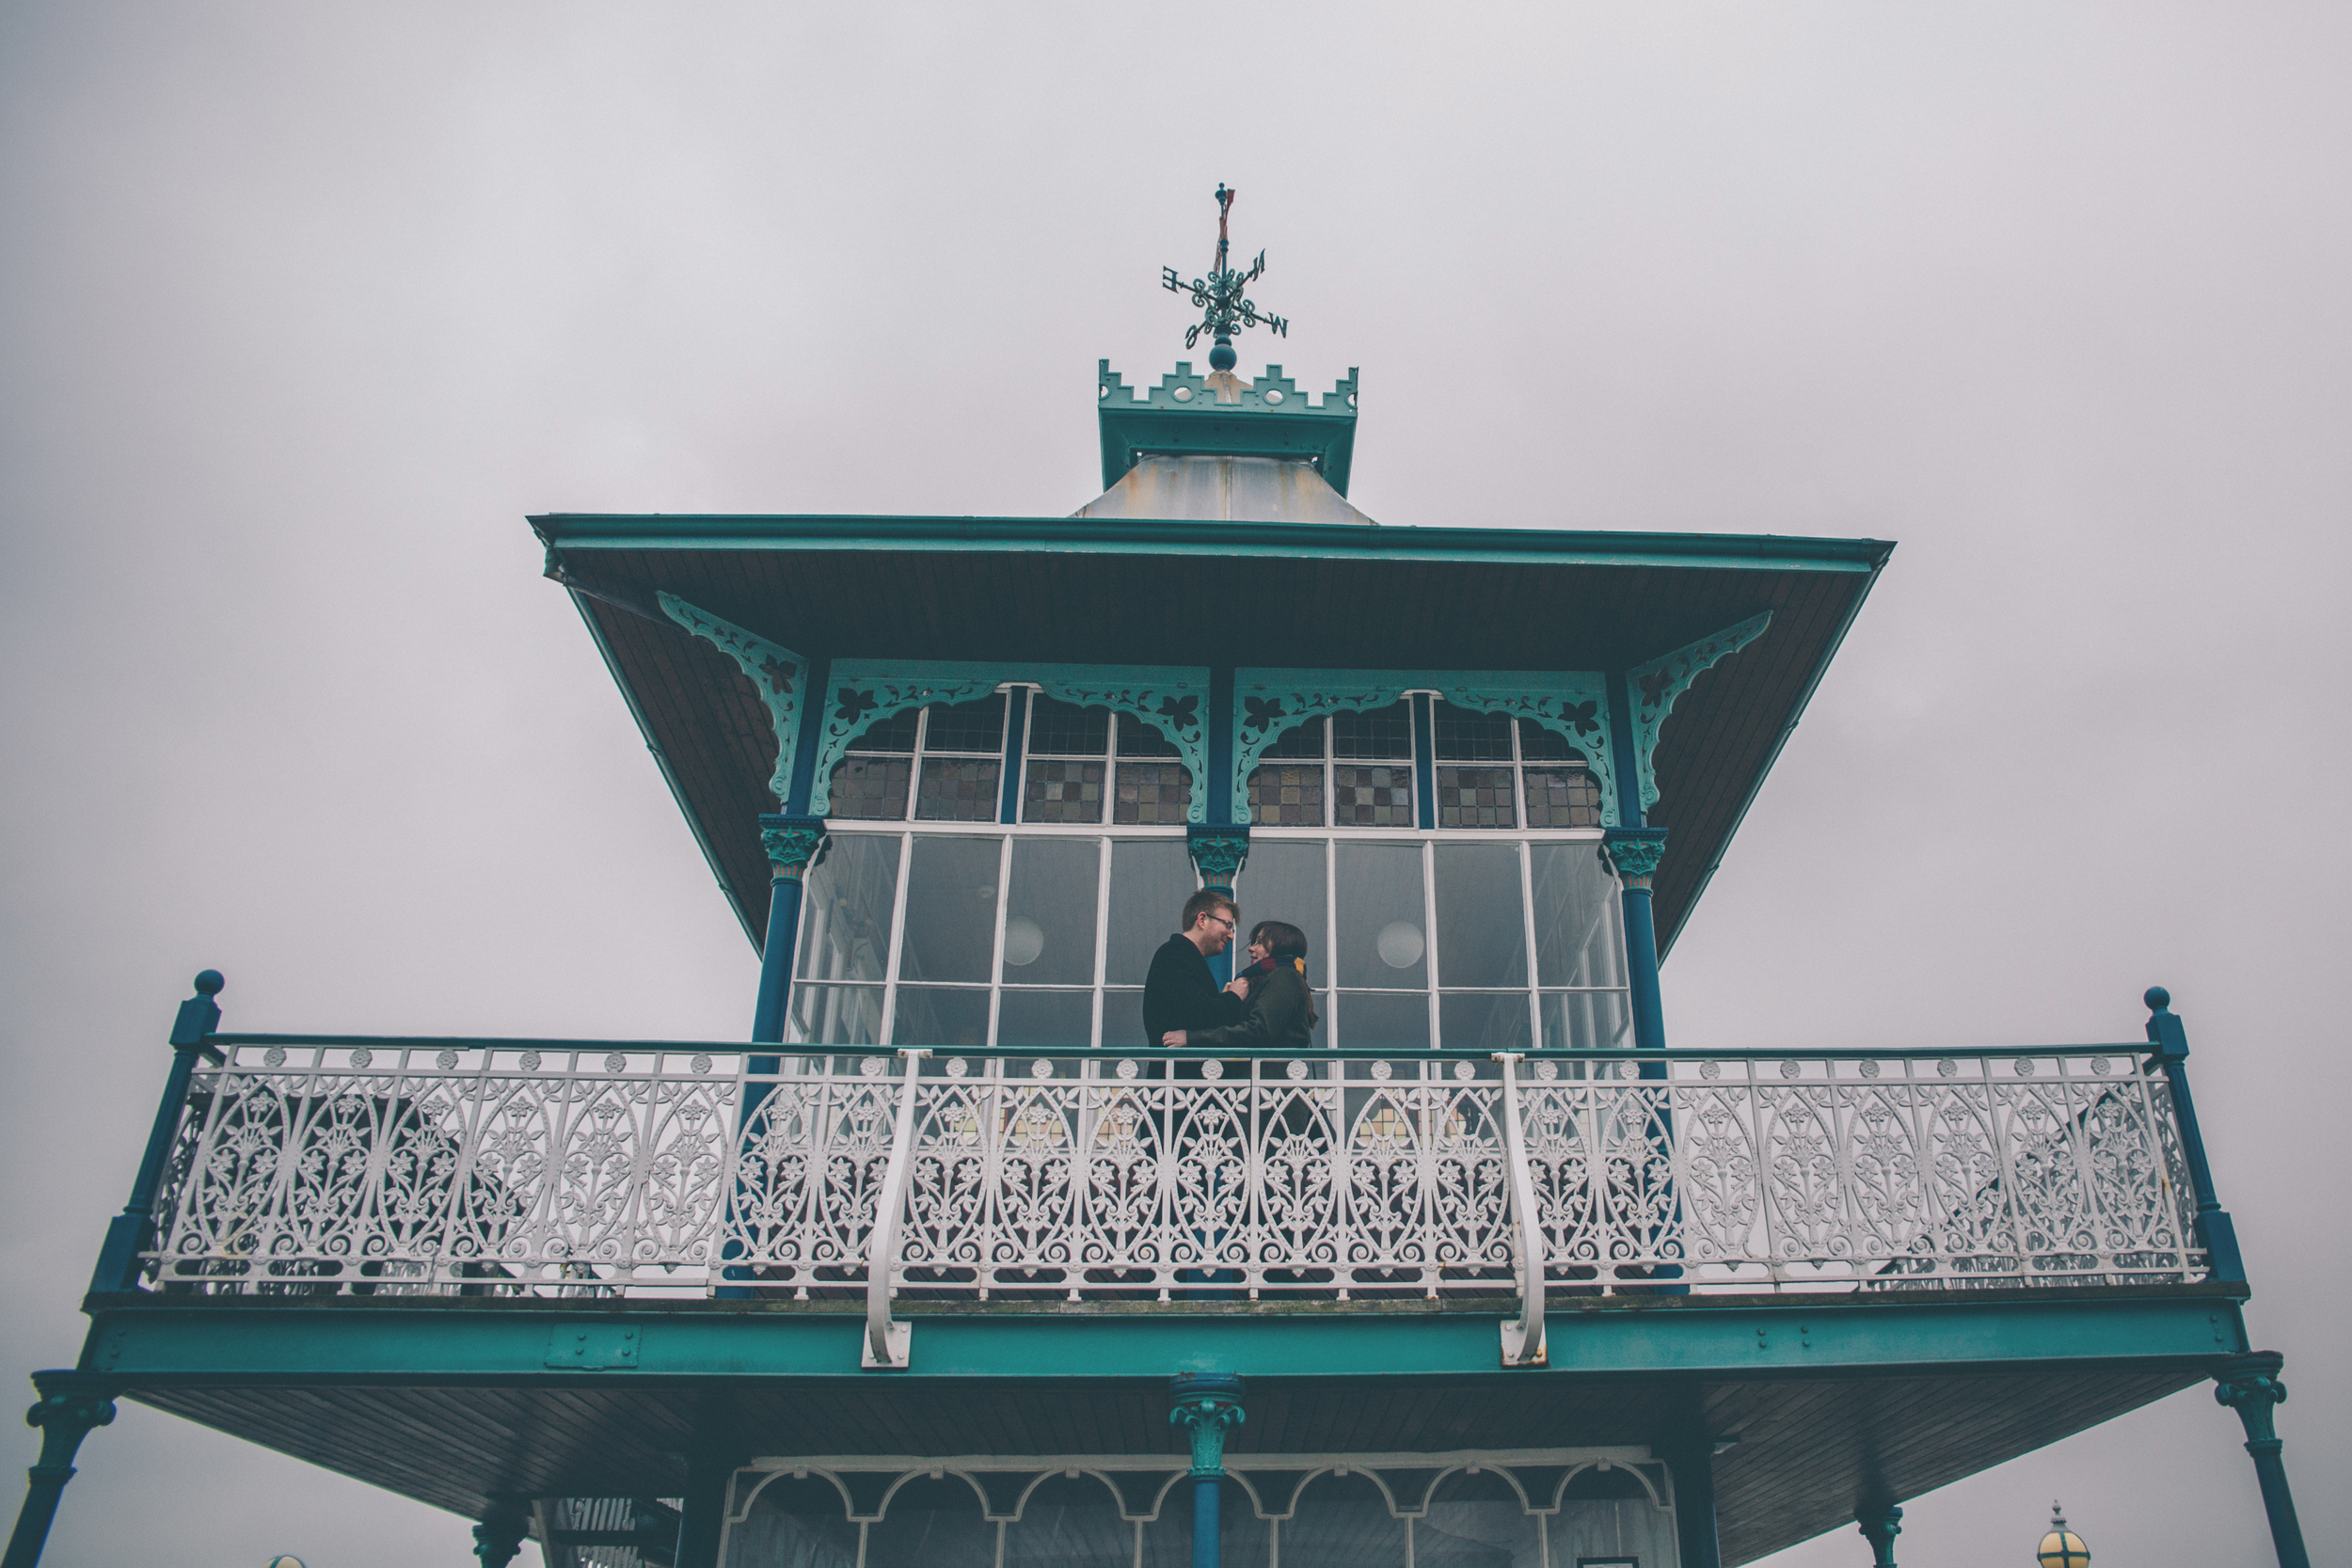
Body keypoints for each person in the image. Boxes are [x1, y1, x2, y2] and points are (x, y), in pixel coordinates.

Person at [1161, 920, 1318, 1053]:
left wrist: (1191, 1038)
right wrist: (1226, 1000)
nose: (1251, 948)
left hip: (1268, 1084)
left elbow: (1258, 1031)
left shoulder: (1285, 976)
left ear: (1281, 946)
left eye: (1260, 943)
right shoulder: (1268, 981)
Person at [1141, 889, 1249, 1050]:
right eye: (1228, 926)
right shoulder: (1174, 954)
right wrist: (1234, 997)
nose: (1231, 936)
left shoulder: (1182, 956)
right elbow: (1199, 1013)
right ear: (1202, 920)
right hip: (1175, 1072)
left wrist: (1223, 999)